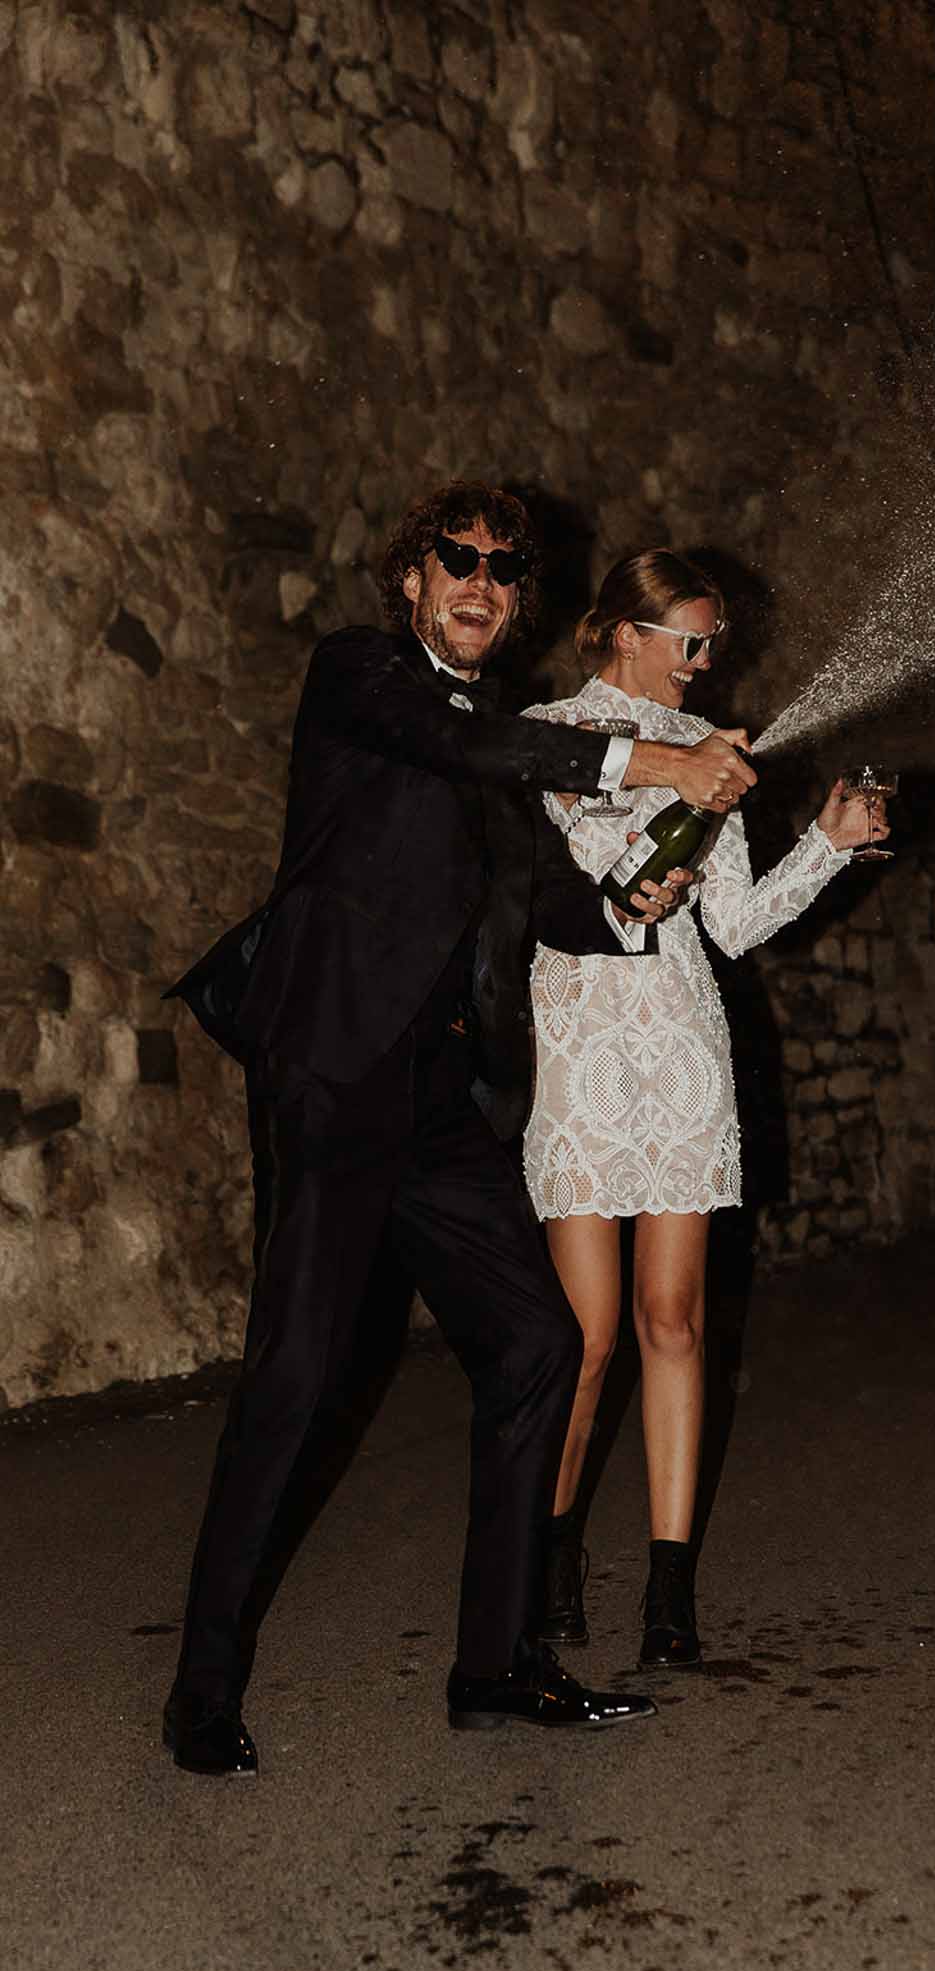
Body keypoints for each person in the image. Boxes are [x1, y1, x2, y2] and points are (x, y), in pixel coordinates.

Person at [161, 484, 756, 1774]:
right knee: (298, 1373)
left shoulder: (497, 737)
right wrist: (656, 757)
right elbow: (473, 751)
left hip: (435, 1096)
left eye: (502, 567)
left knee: (539, 1339)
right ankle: (200, 1689)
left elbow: (556, 898)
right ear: (416, 578)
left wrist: (641, 891)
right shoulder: (363, 679)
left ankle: (497, 1664)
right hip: (332, 1076)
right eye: (458, 561)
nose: (481, 582)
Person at [521, 549, 887, 1667]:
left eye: (715, 641)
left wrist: (824, 845)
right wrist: (674, 794)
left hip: (677, 1045)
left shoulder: (717, 750)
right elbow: (587, 877)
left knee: (672, 1320)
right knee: (579, 1340)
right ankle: (548, 1554)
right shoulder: (551, 731)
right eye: (689, 638)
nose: (705, 660)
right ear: (624, 632)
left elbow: (726, 924)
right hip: (579, 1039)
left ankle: (669, 1588)